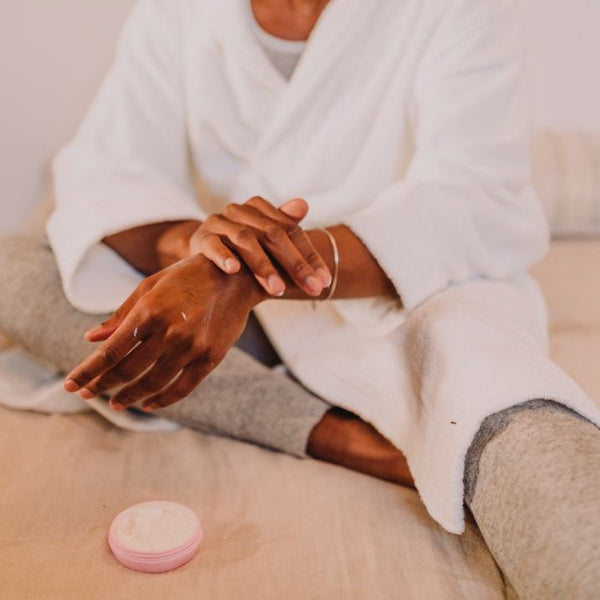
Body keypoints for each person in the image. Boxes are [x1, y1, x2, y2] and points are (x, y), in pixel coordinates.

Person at [1, 0, 599, 596]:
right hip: (230, 316)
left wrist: (241, 276)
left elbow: (472, 200)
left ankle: (438, 435)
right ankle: (334, 434)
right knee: (17, 268)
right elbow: (109, 168)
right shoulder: (176, 11)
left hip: (409, 293)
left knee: (509, 412)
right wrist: (204, 251)